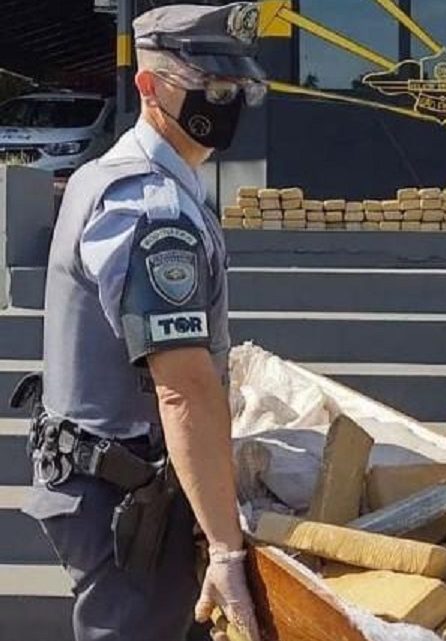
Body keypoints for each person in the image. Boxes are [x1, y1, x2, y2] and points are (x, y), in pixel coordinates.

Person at [17, 3, 267, 639]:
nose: (226, 100)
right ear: (149, 87)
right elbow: (180, 386)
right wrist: (226, 550)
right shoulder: (150, 207)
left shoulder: (126, 177)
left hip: (114, 479)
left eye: (236, 87)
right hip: (127, 501)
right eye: (209, 87)